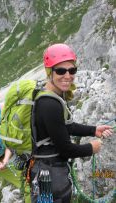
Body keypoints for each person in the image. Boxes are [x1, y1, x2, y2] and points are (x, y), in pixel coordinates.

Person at [30, 43, 113, 203]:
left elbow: (66, 127)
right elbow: (66, 149)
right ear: (50, 72)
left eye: (72, 70)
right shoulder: (50, 104)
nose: (67, 75)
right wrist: (91, 148)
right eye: (61, 71)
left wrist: (93, 130)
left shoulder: (51, 95)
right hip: (50, 174)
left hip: (46, 170)